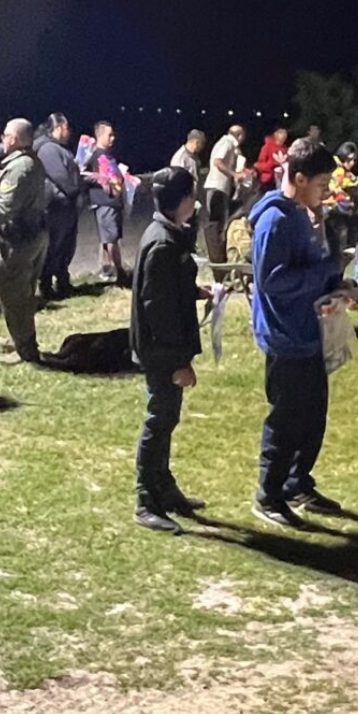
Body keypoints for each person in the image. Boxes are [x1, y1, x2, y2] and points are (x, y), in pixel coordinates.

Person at [248, 139, 346, 529]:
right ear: (299, 178)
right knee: (286, 419)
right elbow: (273, 282)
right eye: (322, 183)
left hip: (310, 331)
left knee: (313, 414)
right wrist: (322, 274)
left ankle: (296, 483)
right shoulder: (275, 220)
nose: (327, 190)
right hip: (285, 336)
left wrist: (338, 286)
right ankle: (268, 495)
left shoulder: (304, 214)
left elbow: (310, 267)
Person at [130, 167, 207, 534]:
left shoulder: (169, 233)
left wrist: (197, 291)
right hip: (161, 351)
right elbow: (155, 307)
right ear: (180, 200)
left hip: (164, 348)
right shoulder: (162, 241)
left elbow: (168, 288)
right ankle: (146, 499)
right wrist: (178, 363)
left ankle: (164, 487)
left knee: (167, 418)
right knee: (158, 421)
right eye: (192, 194)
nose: (196, 201)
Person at [0, 118, 50, 362]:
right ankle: (20, 338)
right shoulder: (29, 162)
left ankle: (25, 350)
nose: (2, 139)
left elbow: (5, 207)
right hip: (32, 234)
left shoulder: (20, 167)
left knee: (13, 295)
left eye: (4, 135)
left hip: (18, 241)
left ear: (13, 139)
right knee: (24, 292)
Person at [36, 113, 83, 300]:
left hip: (65, 207)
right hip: (57, 207)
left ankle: (63, 281)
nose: (68, 132)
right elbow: (60, 176)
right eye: (66, 128)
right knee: (54, 246)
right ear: (57, 128)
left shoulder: (58, 148)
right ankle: (47, 285)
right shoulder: (48, 149)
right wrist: (75, 191)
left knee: (65, 246)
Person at [202, 124, 250, 279]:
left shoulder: (229, 145)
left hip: (221, 188)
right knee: (216, 226)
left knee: (220, 225)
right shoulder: (227, 143)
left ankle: (221, 264)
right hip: (217, 187)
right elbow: (218, 162)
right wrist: (234, 174)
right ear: (240, 135)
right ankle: (218, 266)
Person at [82, 121, 128, 282]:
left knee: (107, 237)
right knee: (111, 238)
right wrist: (98, 179)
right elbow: (81, 173)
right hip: (105, 202)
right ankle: (119, 272)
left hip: (113, 201)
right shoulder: (93, 155)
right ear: (100, 135)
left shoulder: (109, 155)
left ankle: (107, 269)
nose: (113, 138)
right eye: (109, 135)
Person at [255, 125, 290, 192]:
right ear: (275, 134)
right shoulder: (267, 146)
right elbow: (260, 164)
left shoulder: (286, 149)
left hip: (282, 180)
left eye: (285, 133)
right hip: (269, 180)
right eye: (281, 132)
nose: (284, 135)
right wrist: (273, 164)